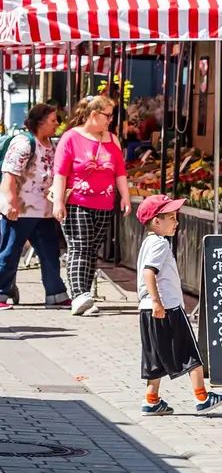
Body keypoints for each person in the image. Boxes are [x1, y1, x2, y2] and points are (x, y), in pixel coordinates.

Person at [135, 194, 222, 416]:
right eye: (171, 217)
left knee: (154, 356)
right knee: (190, 353)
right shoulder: (160, 244)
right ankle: (202, 398)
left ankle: (151, 400)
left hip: (147, 309)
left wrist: (151, 302)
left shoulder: (148, 243)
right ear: (157, 221)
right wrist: (158, 302)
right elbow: (150, 272)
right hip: (167, 307)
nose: (176, 222)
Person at [52, 95, 130, 316]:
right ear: (94, 114)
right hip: (78, 201)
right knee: (79, 247)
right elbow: (60, 173)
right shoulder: (71, 138)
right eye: (108, 115)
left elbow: (120, 171)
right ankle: (78, 295)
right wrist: (58, 201)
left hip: (104, 203)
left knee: (91, 250)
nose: (111, 120)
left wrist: (124, 196)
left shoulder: (111, 139)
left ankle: (85, 295)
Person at [0, 103, 71, 310]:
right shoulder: (23, 143)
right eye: (52, 120)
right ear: (40, 123)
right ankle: (2, 292)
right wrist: (10, 204)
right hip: (21, 209)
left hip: (45, 211)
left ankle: (56, 293)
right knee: (9, 252)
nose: (57, 124)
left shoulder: (53, 144)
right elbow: (9, 175)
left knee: (50, 253)